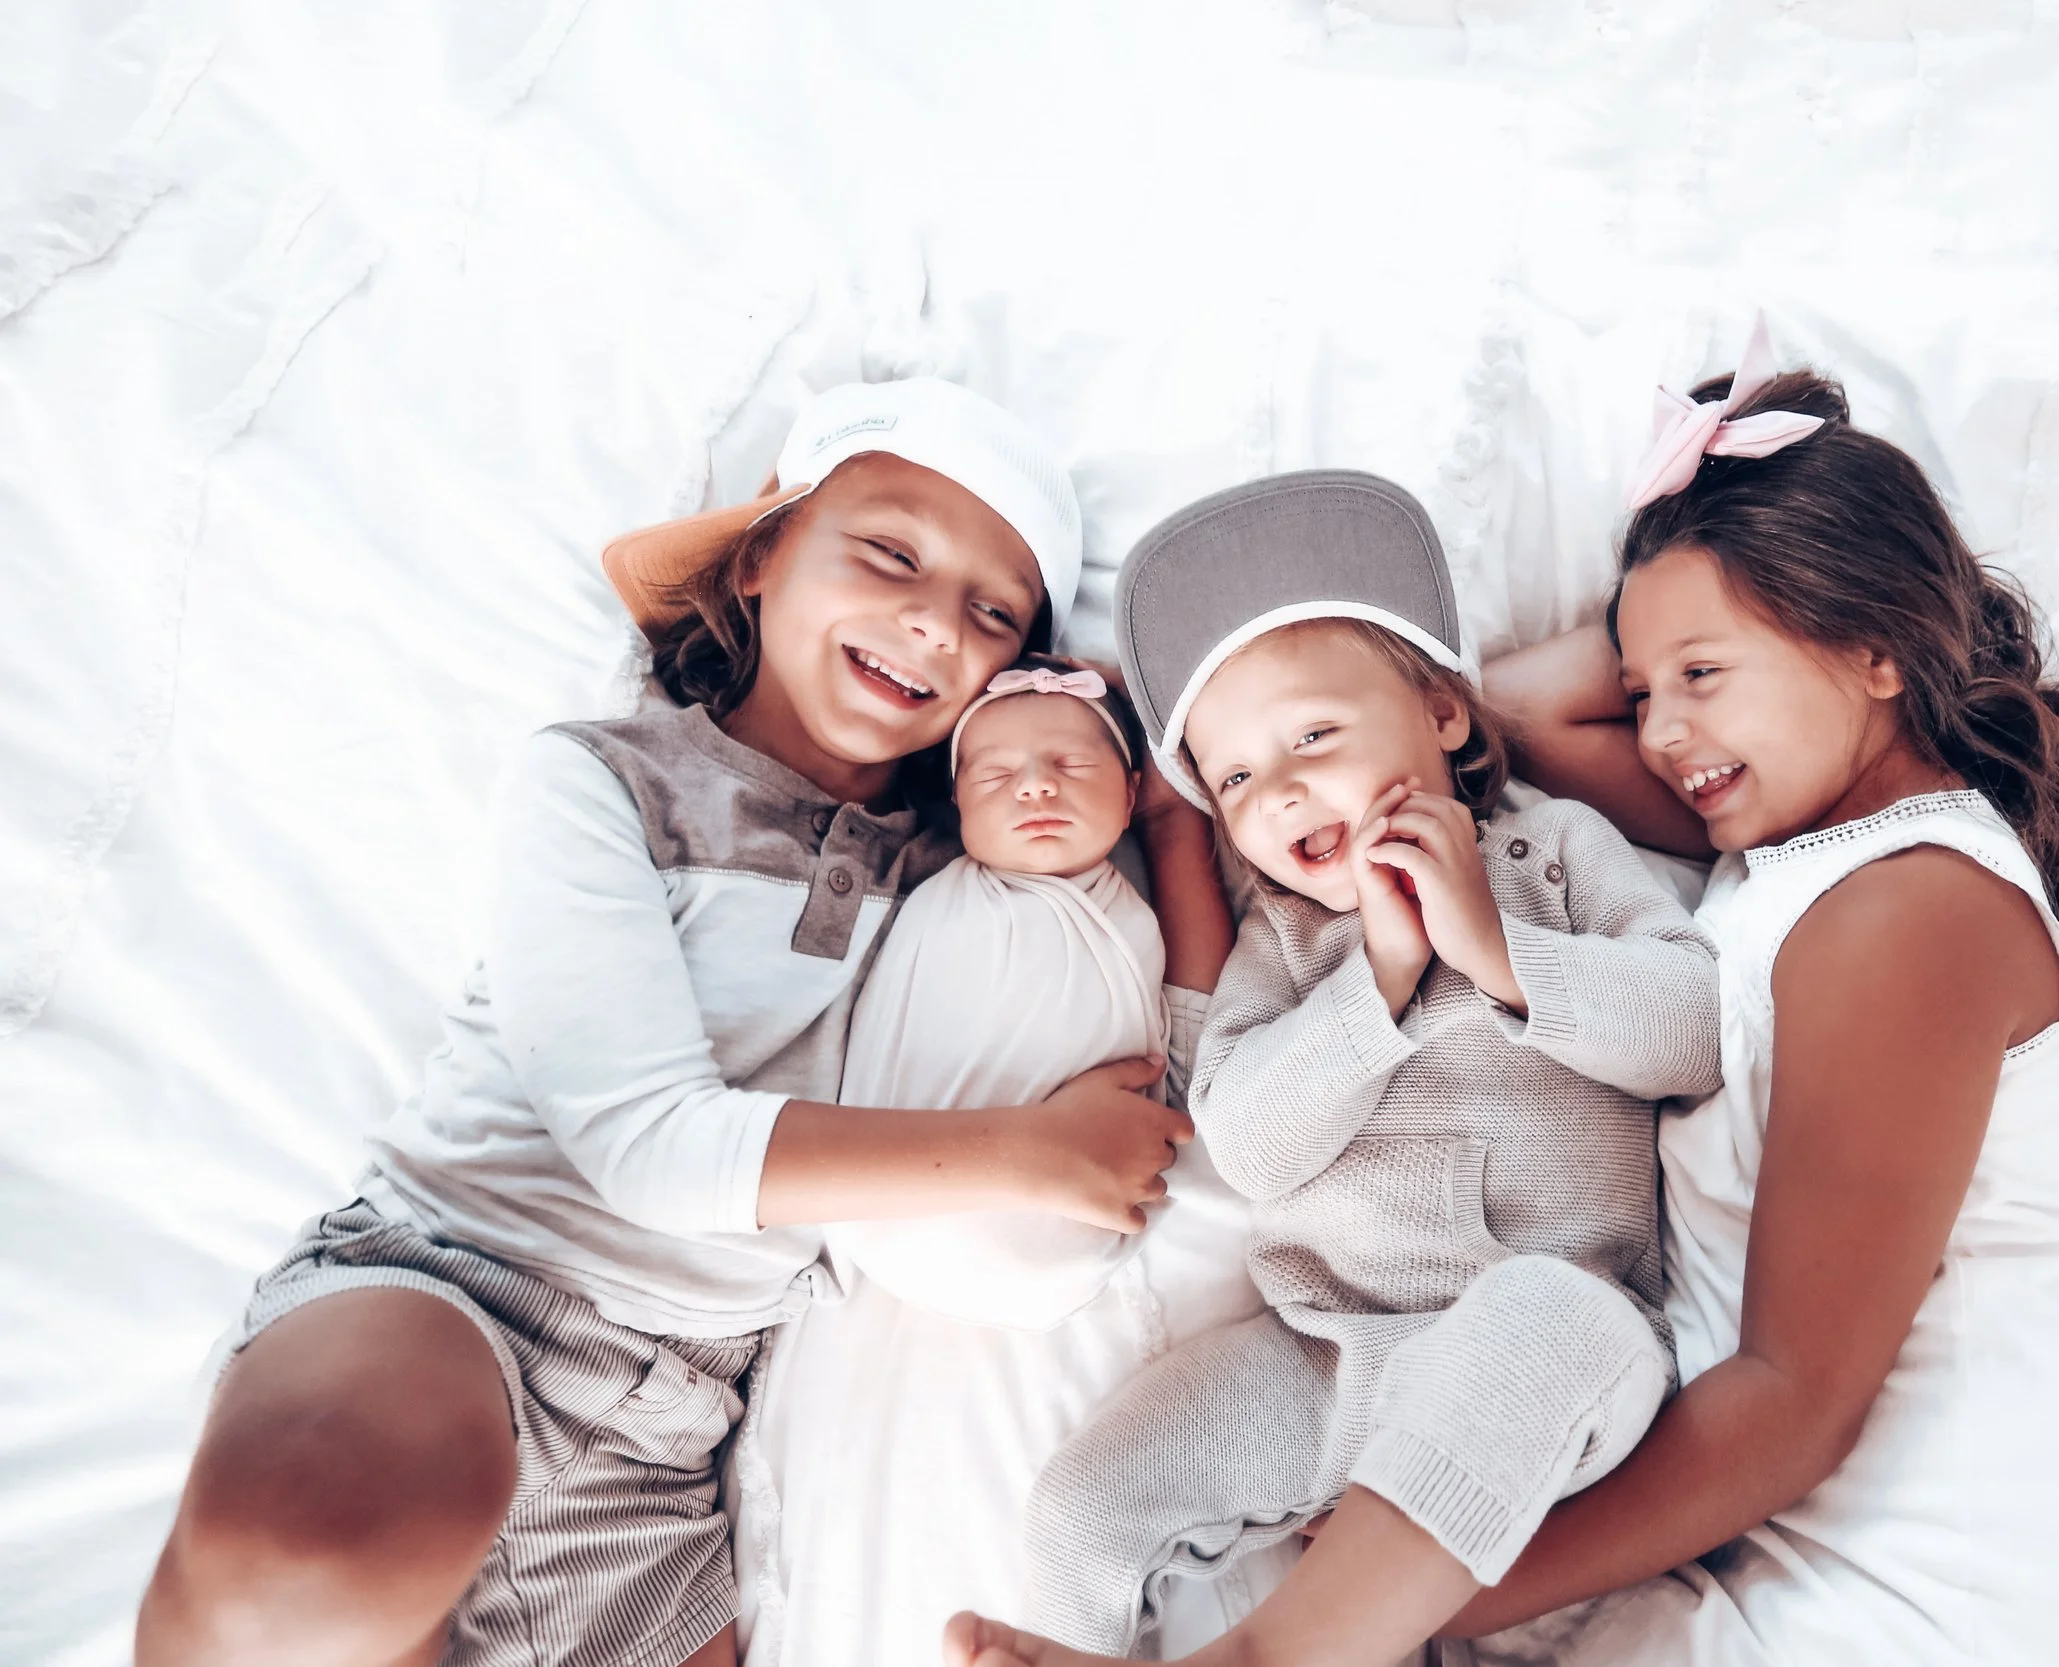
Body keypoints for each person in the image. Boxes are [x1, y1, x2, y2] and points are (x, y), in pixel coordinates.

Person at [133, 379, 1195, 1667]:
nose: (933, 618)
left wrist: (1109, 745)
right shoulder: (600, 781)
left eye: (992, 613)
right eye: (891, 552)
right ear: (760, 559)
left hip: (662, 1440)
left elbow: (1172, 806)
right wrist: (1027, 1152)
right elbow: (643, 1141)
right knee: (307, 1558)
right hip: (465, 1290)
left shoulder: (964, 863)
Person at [1441, 319, 2059, 1665]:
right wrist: (1684, 591)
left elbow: (1795, 1396)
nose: (1659, 731)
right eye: (1645, 687)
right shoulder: (1798, 853)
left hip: (1907, 1591)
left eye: (1702, 675)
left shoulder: (1911, 911)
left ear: (1877, 646)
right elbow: (1506, 715)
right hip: (1766, 1543)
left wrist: (1426, 1582)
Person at [946, 470, 1723, 1667]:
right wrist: (1380, 987)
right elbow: (1246, 1146)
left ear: (1445, 718)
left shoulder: (1557, 853)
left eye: (1313, 735)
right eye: (1239, 779)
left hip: (1552, 1352)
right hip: (1326, 1351)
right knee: (1083, 1501)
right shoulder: (1288, 944)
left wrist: (1494, 949)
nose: (1284, 788)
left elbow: (1693, 1029)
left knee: (1544, 1313)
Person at [739, 653, 1279, 1665]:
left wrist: (1173, 821)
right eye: (995, 776)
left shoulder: (1131, 915)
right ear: (954, 803)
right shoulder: (929, 894)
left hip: (1054, 1240)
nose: (1033, 784)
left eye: (1070, 765)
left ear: (1126, 795)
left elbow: (1197, 1009)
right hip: (887, 1204)